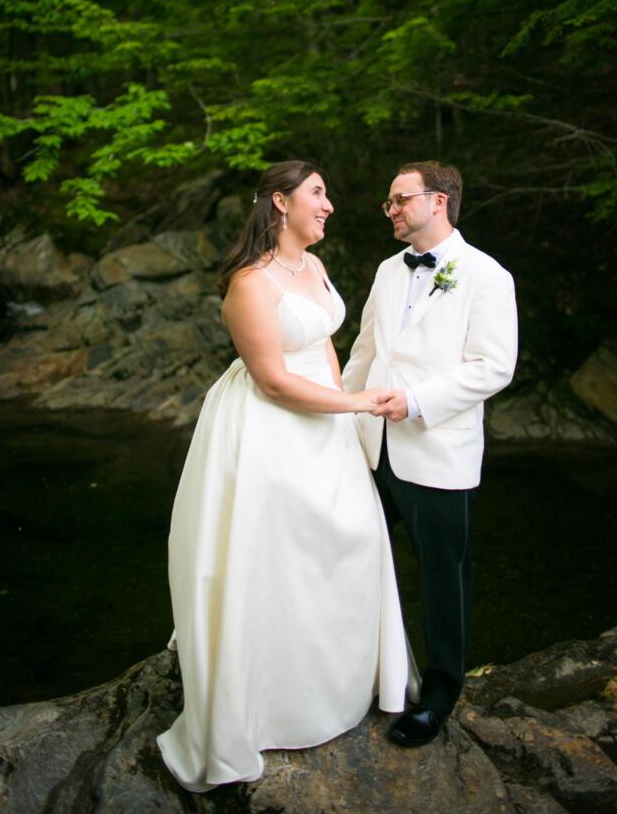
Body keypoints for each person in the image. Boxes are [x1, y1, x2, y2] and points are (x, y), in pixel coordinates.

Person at [157, 160, 417, 791]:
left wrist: (346, 409)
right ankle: (273, 706)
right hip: (270, 431)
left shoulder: (313, 267)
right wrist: (359, 403)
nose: (329, 204)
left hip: (326, 422)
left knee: (347, 543)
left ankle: (343, 688)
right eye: (318, 193)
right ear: (281, 203)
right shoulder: (250, 282)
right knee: (276, 560)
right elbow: (273, 379)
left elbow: (326, 343)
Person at [342, 160, 518, 747]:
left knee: (443, 578)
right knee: (354, 562)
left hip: (438, 451)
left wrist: (415, 400)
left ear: (437, 202)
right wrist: (337, 413)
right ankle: (362, 677)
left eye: (399, 199)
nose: (390, 209)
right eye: (389, 201)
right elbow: (365, 351)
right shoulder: (388, 271)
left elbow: (494, 367)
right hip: (371, 450)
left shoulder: (488, 276)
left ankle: (439, 698)